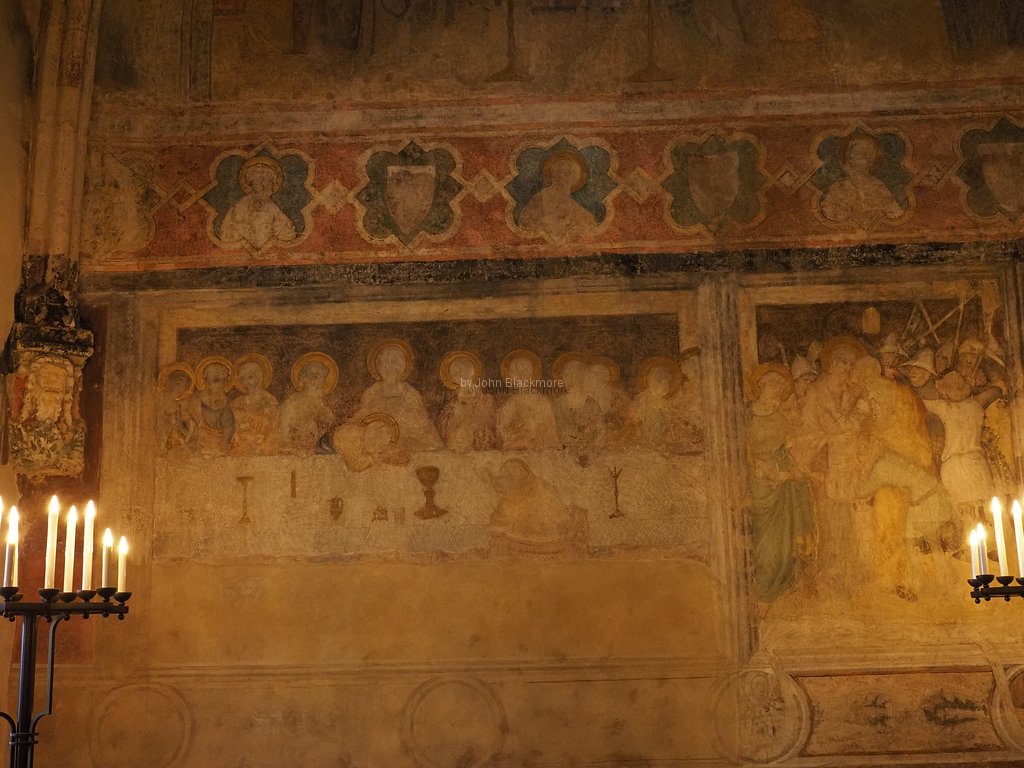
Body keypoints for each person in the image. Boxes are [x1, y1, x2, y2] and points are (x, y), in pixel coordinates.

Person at [746, 364, 814, 603]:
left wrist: (796, 470)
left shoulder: (780, 417)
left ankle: (774, 592)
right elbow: (744, 451)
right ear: (762, 386)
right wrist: (761, 469)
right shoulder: (747, 416)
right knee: (765, 547)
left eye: (782, 387)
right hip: (759, 483)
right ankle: (762, 592)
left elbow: (790, 449)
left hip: (784, 485)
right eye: (775, 386)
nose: (779, 391)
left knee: (784, 545)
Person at [349, 339, 442, 451]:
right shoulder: (371, 392)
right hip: (377, 440)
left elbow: (422, 423)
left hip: (409, 439)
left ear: (403, 366)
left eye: (395, 362)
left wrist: (403, 422)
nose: (390, 367)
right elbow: (362, 417)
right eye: (385, 363)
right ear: (378, 366)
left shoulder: (410, 393)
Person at [819, 135, 904, 226]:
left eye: (865, 154)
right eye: (856, 153)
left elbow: (896, 215)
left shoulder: (878, 186)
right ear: (849, 157)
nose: (861, 157)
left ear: (872, 158)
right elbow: (828, 216)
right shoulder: (838, 188)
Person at [220, 156, 297, 250]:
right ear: (251, 183)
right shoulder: (239, 208)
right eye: (259, 181)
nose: (264, 185)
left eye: (268, 181)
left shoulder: (273, 209)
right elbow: (226, 234)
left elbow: (288, 234)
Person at [518, 150, 598, 241]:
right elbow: (524, 223)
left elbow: (590, 224)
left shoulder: (574, 205)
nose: (563, 177)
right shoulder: (540, 198)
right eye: (559, 173)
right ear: (553, 175)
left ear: (574, 179)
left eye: (568, 174)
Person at [496, 350, 560, 450]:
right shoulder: (510, 403)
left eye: (525, 372)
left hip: (540, 450)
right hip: (515, 449)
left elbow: (550, 435)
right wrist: (516, 430)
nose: (521, 377)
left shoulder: (543, 402)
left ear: (531, 374)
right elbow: (503, 429)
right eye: (515, 373)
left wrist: (531, 428)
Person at [278, 353, 338, 452]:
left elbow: (332, 429)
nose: (316, 380)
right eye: (312, 375)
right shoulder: (292, 403)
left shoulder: (324, 405)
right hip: (295, 451)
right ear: (303, 378)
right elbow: (283, 434)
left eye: (321, 376)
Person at [438, 350, 496, 452]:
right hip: (457, 442)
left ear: (472, 373)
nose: (461, 374)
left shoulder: (484, 397)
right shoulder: (452, 401)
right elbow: (445, 427)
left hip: (477, 440)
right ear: (452, 377)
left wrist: (472, 407)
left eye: (465, 370)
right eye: (456, 372)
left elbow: (488, 418)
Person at [230, 354, 279, 455]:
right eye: (242, 379)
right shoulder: (236, 403)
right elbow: (231, 429)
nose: (246, 383)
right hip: (241, 450)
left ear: (259, 377)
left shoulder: (270, 401)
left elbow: (274, 430)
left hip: (264, 449)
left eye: (250, 377)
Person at [187, 357, 235, 455]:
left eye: (223, 381)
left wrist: (221, 447)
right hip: (198, 446)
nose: (220, 385)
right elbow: (190, 426)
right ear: (206, 382)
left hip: (219, 448)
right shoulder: (195, 400)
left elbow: (228, 429)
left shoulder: (227, 404)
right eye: (216, 380)